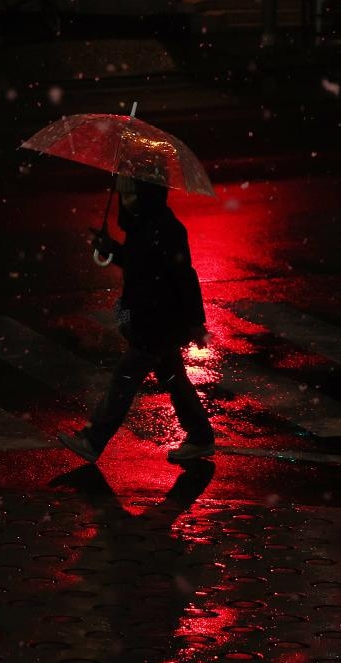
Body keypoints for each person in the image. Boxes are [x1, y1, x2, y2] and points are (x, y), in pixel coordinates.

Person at [57, 174, 215, 465]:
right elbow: (137, 263)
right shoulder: (141, 226)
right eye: (124, 194)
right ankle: (201, 436)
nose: (128, 201)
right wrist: (111, 249)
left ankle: (93, 440)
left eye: (133, 194)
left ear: (149, 194)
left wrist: (195, 323)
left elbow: (184, 277)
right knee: (172, 378)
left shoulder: (166, 229)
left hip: (157, 320)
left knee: (125, 379)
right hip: (148, 317)